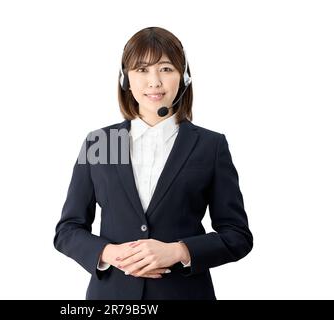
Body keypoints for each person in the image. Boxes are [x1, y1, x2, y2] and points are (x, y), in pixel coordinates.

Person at [53, 26, 253, 300]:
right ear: (126, 79)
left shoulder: (210, 146)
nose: (154, 82)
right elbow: (68, 229)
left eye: (166, 69)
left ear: (183, 77)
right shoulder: (103, 142)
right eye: (142, 70)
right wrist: (111, 254)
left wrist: (179, 251)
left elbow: (237, 235)